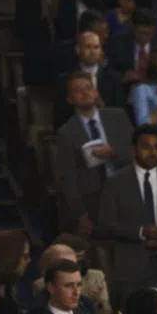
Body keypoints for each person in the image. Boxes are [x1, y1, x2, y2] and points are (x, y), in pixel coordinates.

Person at [98, 124, 157, 306]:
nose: (152, 152)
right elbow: (105, 223)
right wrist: (141, 231)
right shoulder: (116, 181)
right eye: (146, 146)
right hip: (131, 266)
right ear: (133, 149)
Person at [55, 71, 134, 236]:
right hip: (93, 202)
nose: (85, 93)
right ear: (70, 99)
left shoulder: (118, 117)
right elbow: (67, 178)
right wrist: (81, 216)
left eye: (88, 88)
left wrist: (113, 152)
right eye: (78, 90)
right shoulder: (67, 132)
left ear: (96, 92)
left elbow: (136, 152)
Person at [53, 30, 125, 128]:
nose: (92, 52)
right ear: (77, 50)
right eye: (88, 47)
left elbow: (120, 113)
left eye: (96, 47)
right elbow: (59, 118)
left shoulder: (114, 78)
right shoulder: (64, 80)